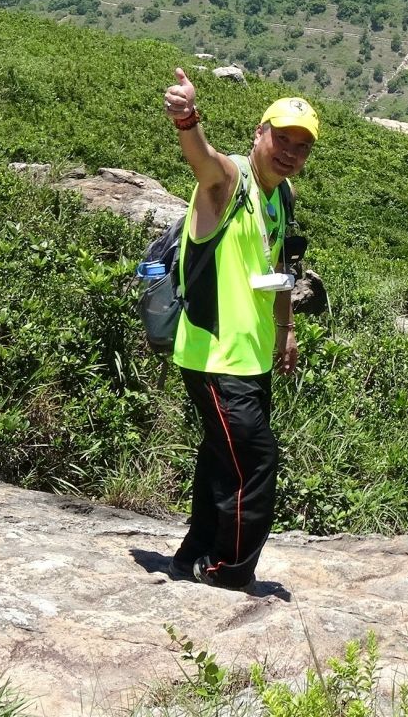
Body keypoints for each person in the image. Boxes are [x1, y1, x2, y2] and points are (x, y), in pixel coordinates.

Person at [161, 67, 317, 589]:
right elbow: (202, 160)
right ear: (259, 133)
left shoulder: (281, 195)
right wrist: (188, 119)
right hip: (214, 354)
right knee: (255, 461)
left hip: (251, 355)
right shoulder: (230, 180)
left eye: (301, 145)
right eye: (282, 139)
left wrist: (285, 328)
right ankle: (228, 571)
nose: (289, 152)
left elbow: (280, 268)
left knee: (221, 457)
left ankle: (192, 555)